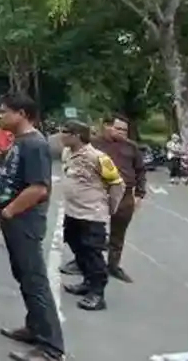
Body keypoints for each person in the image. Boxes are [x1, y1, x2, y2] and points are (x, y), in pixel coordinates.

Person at [0, 92, 65, 361]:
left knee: (35, 281)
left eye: (4, 111)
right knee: (24, 276)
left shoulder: (35, 144)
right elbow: (2, 165)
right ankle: (35, 327)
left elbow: (39, 188)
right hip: (14, 220)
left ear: (21, 114)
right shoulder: (19, 142)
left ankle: (51, 348)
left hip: (24, 220)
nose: (0, 116)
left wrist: (10, 211)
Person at [57, 120, 124, 312]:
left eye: (65, 132)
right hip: (73, 212)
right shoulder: (67, 153)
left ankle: (97, 293)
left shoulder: (98, 157)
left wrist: (111, 208)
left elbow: (117, 184)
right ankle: (87, 281)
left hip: (92, 214)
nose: (62, 135)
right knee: (78, 249)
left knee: (93, 253)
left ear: (77, 135)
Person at [90, 114, 146, 284]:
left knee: (118, 232)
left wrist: (139, 194)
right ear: (107, 126)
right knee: (92, 229)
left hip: (125, 194)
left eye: (125, 130)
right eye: (118, 128)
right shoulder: (94, 145)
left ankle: (113, 266)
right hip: (99, 192)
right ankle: (87, 263)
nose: (122, 132)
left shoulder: (132, 147)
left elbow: (140, 171)